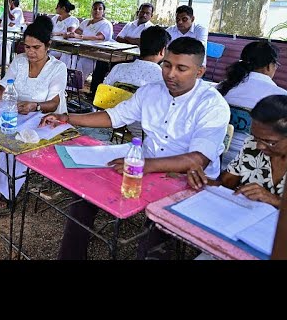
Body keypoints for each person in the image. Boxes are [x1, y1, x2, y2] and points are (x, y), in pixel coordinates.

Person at [41, 37, 230, 259]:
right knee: (84, 195)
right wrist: (67, 117)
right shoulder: (151, 91)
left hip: (187, 179)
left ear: (199, 72)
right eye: (167, 65)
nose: (170, 74)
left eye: (181, 68)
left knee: (156, 233)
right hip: (145, 164)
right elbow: (114, 117)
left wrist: (143, 165)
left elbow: (198, 160)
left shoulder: (212, 104)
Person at [0, 16, 68, 207]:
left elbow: (53, 103)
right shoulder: (19, 61)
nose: (31, 52)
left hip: (43, 119)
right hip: (16, 113)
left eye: (36, 47)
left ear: (48, 45)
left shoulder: (57, 68)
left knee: (8, 146)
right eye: (27, 47)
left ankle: (4, 191)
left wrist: (34, 106)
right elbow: (5, 83)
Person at [192, 95, 287, 209]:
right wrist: (201, 180)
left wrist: (274, 200)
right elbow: (226, 184)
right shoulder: (251, 146)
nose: (259, 145)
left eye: (270, 142)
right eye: (255, 137)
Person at [217, 41, 286, 170]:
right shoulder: (281, 98)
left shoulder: (222, 87)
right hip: (252, 167)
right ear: (269, 66)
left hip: (215, 160)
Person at [102, 25, 170, 138]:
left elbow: (103, 95)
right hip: (143, 132)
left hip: (112, 123)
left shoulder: (118, 68)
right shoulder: (162, 77)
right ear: (163, 50)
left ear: (139, 46)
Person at [61, 0, 113, 81]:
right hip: (80, 49)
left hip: (94, 52)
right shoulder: (86, 22)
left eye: (100, 9)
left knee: (79, 61)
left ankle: (75, 83)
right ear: (92, 10)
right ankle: (64, 81)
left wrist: (81, 37)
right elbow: (76, 32)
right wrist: (69, 34)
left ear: (103, 11)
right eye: (95, 9)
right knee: (66, 55)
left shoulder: (106, 24)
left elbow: (99, 37)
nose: (97, 11)